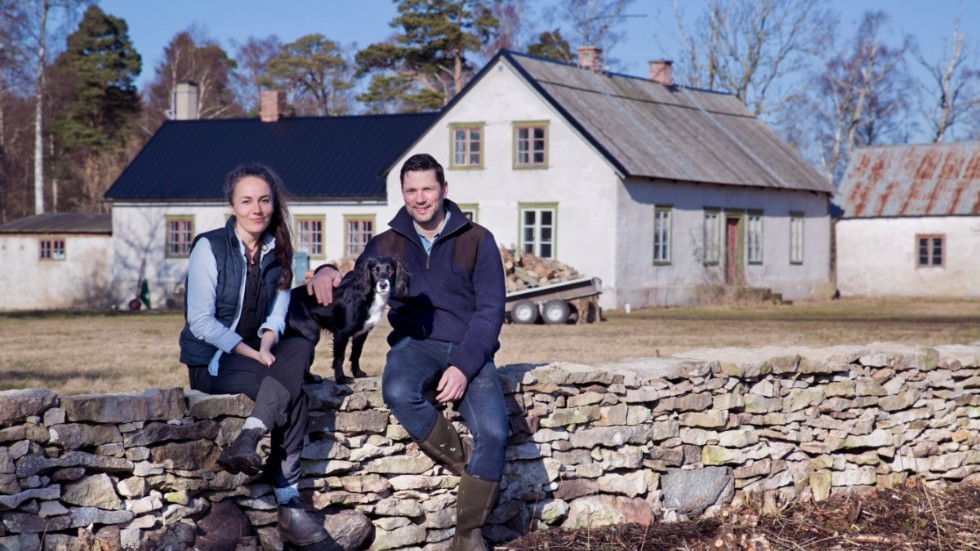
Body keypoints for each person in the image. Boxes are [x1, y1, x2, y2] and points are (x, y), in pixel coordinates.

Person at [308, 153, 508, 551]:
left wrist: (465, 367)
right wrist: (326, 269)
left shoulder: (478, 239)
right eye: (411, 190)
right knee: (398, 391)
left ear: (444, 190)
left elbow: (491, 311)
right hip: (413, 343)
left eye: (427, 189)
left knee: (495, 432)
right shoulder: (387, 241)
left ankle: (468, 537)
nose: (420, 198)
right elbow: (353, 282)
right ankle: (474, 470)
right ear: (403, 193)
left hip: (468, 346)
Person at [178, 163, 328, 547]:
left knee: (298, 344)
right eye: (246, 201)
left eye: (264, 200)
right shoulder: (209, 247)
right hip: (216, 360)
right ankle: (289, 503)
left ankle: (250, 437)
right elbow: (200, 322)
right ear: (232, 205)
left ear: (274, 204)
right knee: (294, 395)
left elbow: (278, 312)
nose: (256, 209)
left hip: (256, 353)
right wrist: (248, 350)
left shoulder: (279, 251)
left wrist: (265, 343)